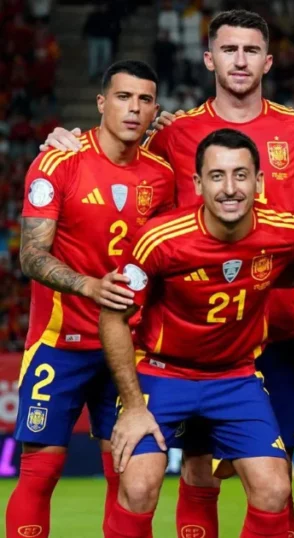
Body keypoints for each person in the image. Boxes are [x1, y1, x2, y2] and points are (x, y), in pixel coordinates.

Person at [42, 10, 294, 535]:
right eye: (229, 49)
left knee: (277, 478)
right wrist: (66, 145)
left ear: (268, 59)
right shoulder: (174, 134)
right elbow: (119, 162)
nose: (240, 60)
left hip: (272, 332)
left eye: (250, 50)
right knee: (189, 469)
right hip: (178, 341)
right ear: (208, 57)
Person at [99, 128, 294, 538]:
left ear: (260, 183)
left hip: (236, 378)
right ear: (197, 184)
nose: (229, 189)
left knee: (275, 488)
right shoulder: (160, 239)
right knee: (138, 486)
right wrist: (134, 405)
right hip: (163, 374)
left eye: (240, 175)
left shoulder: (288, 234)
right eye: (217, 176)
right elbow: (112, 317)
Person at [7, 60, 173, 538]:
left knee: (128, 471)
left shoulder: (163, 176)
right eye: (123, 97)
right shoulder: (60, 160)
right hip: (60, 342)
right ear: (102, 103)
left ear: (154, 109)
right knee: (41, 469)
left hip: (129, 346)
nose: (133, 108)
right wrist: (88, 286)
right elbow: (32, 255)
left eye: (144, 100)